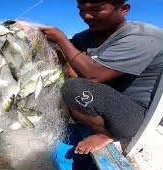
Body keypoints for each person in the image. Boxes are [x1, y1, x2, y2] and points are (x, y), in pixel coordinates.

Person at [40, 0, 163, 154]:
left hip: (131, 117)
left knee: (73, 87)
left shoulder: (144, 36)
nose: (86, 16)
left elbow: (93, 75)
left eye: (96, 9)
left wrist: (61, 39)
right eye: (81, 10)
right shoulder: (84, 37)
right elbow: (64, 55)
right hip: (100, 101)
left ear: (124, 9)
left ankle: (105, 134)